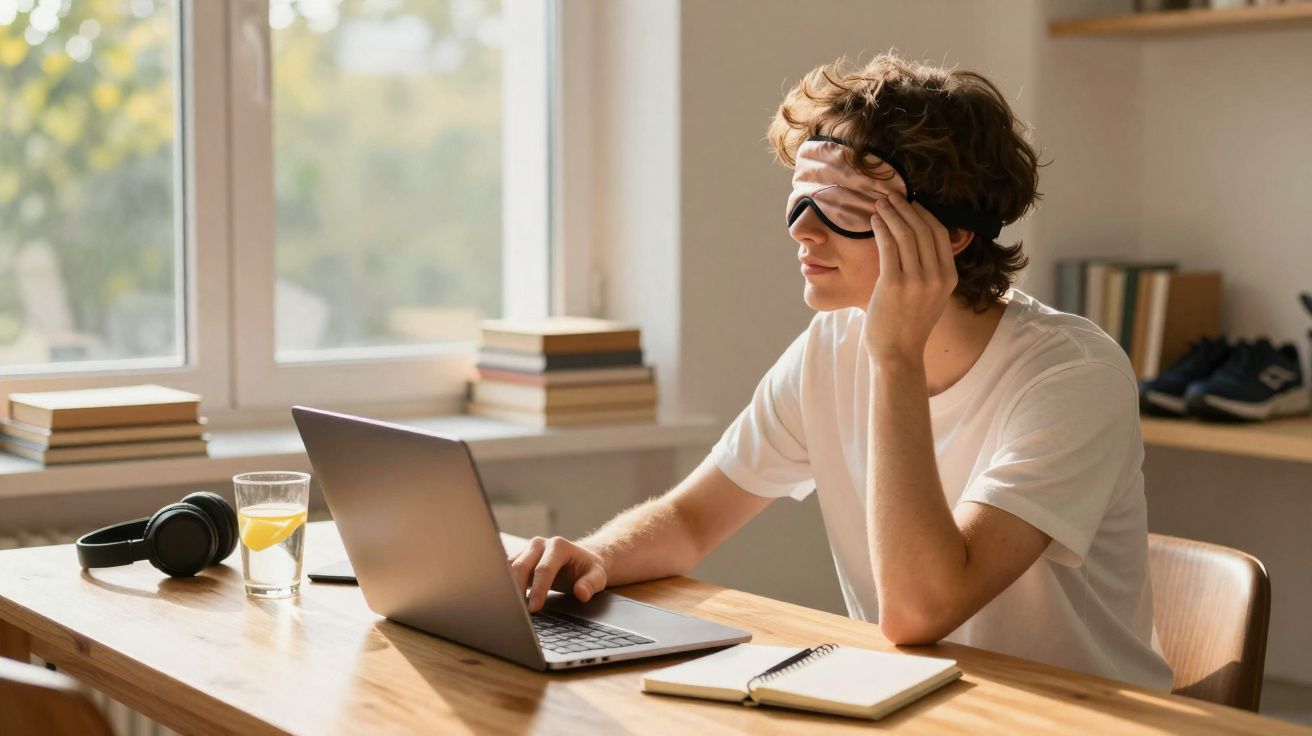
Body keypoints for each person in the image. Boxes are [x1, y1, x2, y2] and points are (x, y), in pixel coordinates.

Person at [508, 51, 1174, 690]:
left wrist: (894, 357)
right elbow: (690, 520)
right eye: (802, 198)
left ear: (950, 234)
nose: (803, 230)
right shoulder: (831, 346)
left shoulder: (1073, 378)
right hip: (914, 702)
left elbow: (919, 612)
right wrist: (595, 556)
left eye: (844, 208)